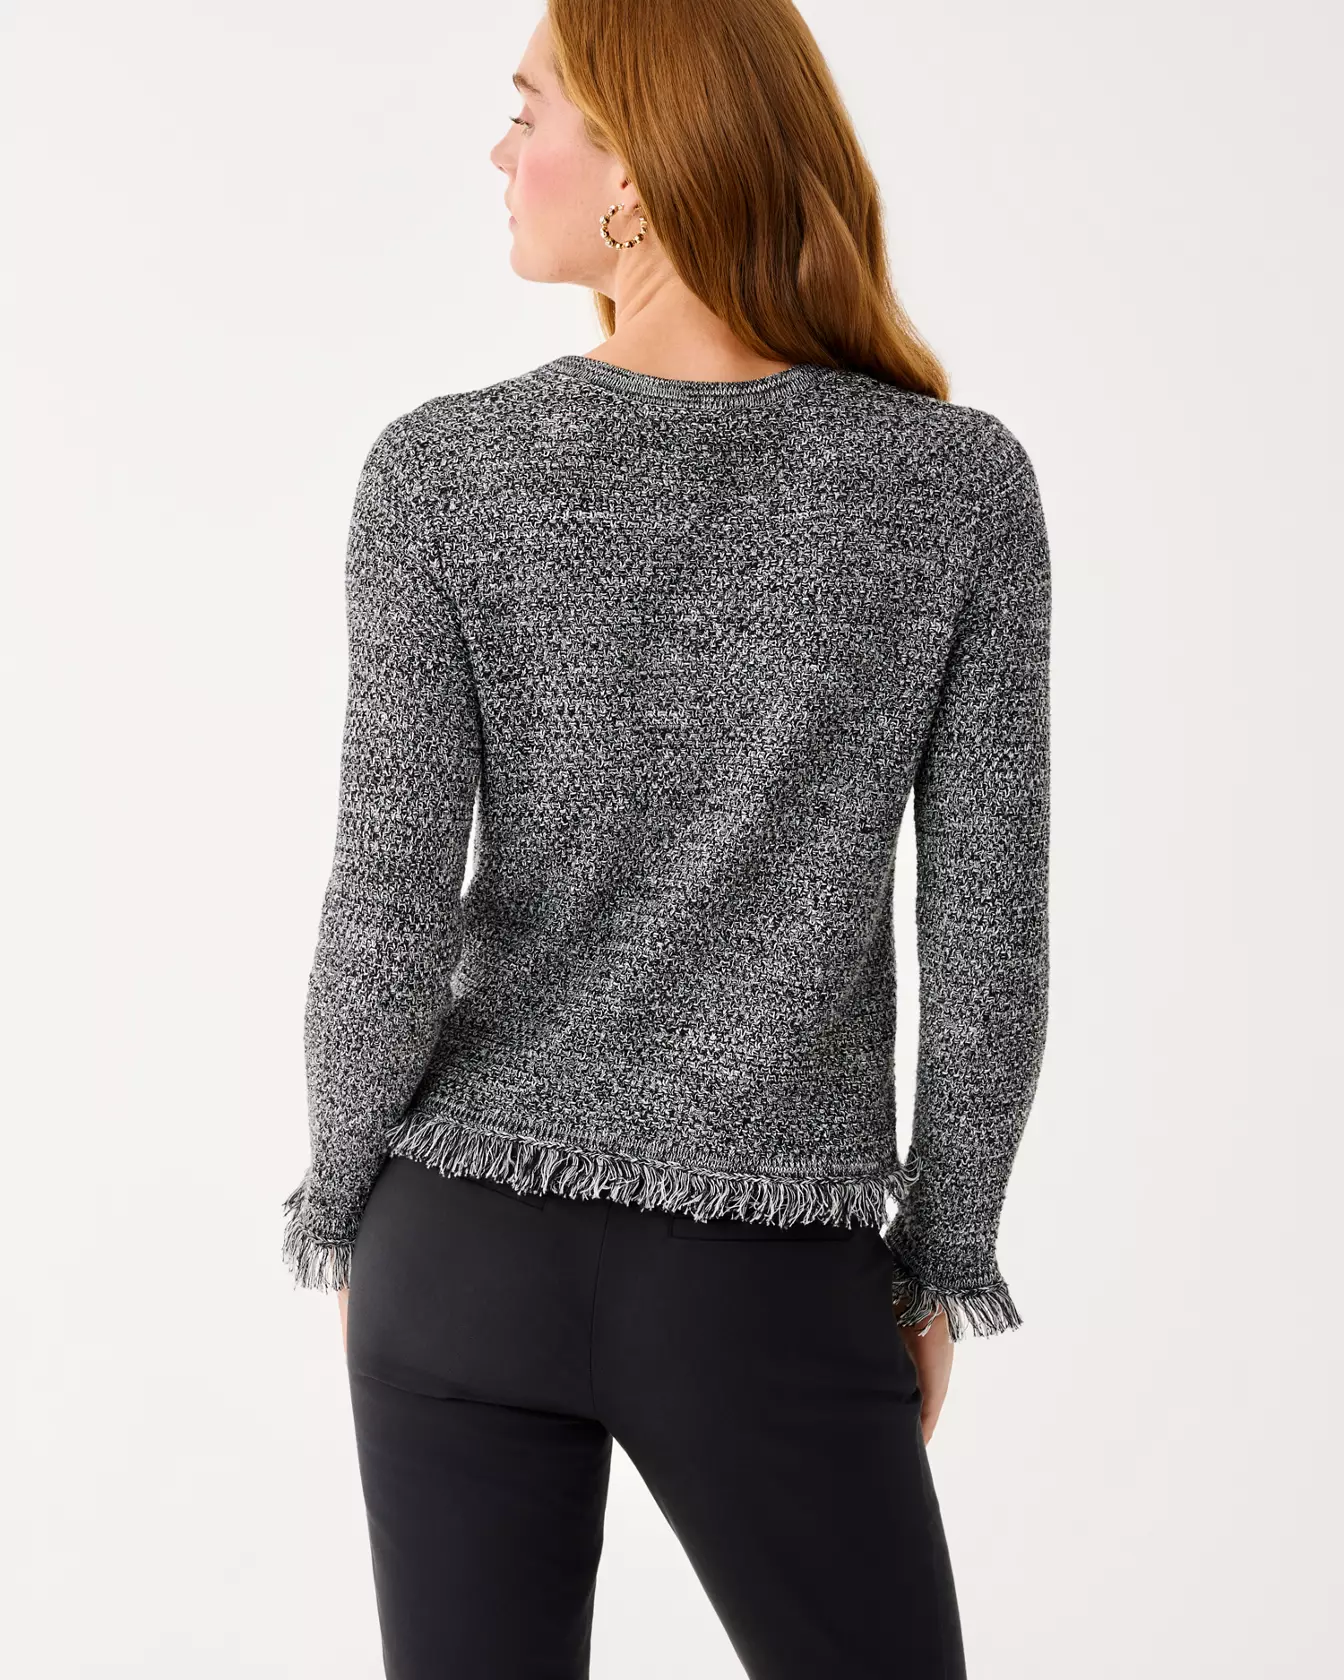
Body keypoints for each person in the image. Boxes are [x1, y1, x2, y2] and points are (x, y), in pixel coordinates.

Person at [280, 2, 1052, 1675]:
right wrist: (942, 1261)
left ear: (635, 167)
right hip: (764, 1276)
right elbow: (987, 929)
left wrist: (346, 1210)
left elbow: (386, 905)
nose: (499, 151)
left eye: (528, 111)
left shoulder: (441, 474)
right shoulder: (954, 489)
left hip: (460, 1245)